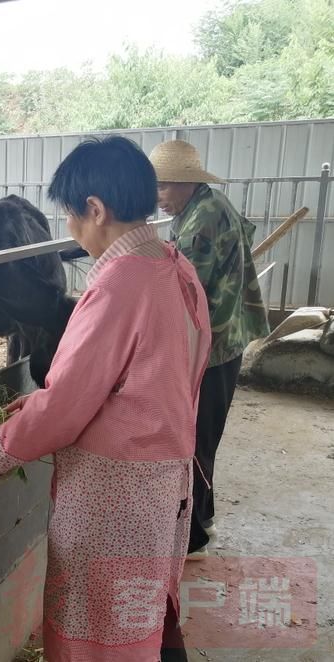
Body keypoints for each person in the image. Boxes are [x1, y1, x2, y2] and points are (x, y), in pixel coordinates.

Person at [0, 136, 211, 662]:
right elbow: (137, 384)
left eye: (70, 215)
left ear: (95, 209)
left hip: (114, 492)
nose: (70, 228)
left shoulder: (119, 283)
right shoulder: (174, 266)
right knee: (140, 611)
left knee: (101, 627)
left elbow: (66, 406)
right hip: (161, 480)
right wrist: (36, 408)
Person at [149, 139, 270, 558]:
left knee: (196, 437)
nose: (158, 196)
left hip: (213, 346)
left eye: (163, 186)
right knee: (205, 435)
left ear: (186, 182)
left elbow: (182, 290)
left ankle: (195, 535)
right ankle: (205, 517)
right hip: (227, 339)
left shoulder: (200, 222)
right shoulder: (209, 205)